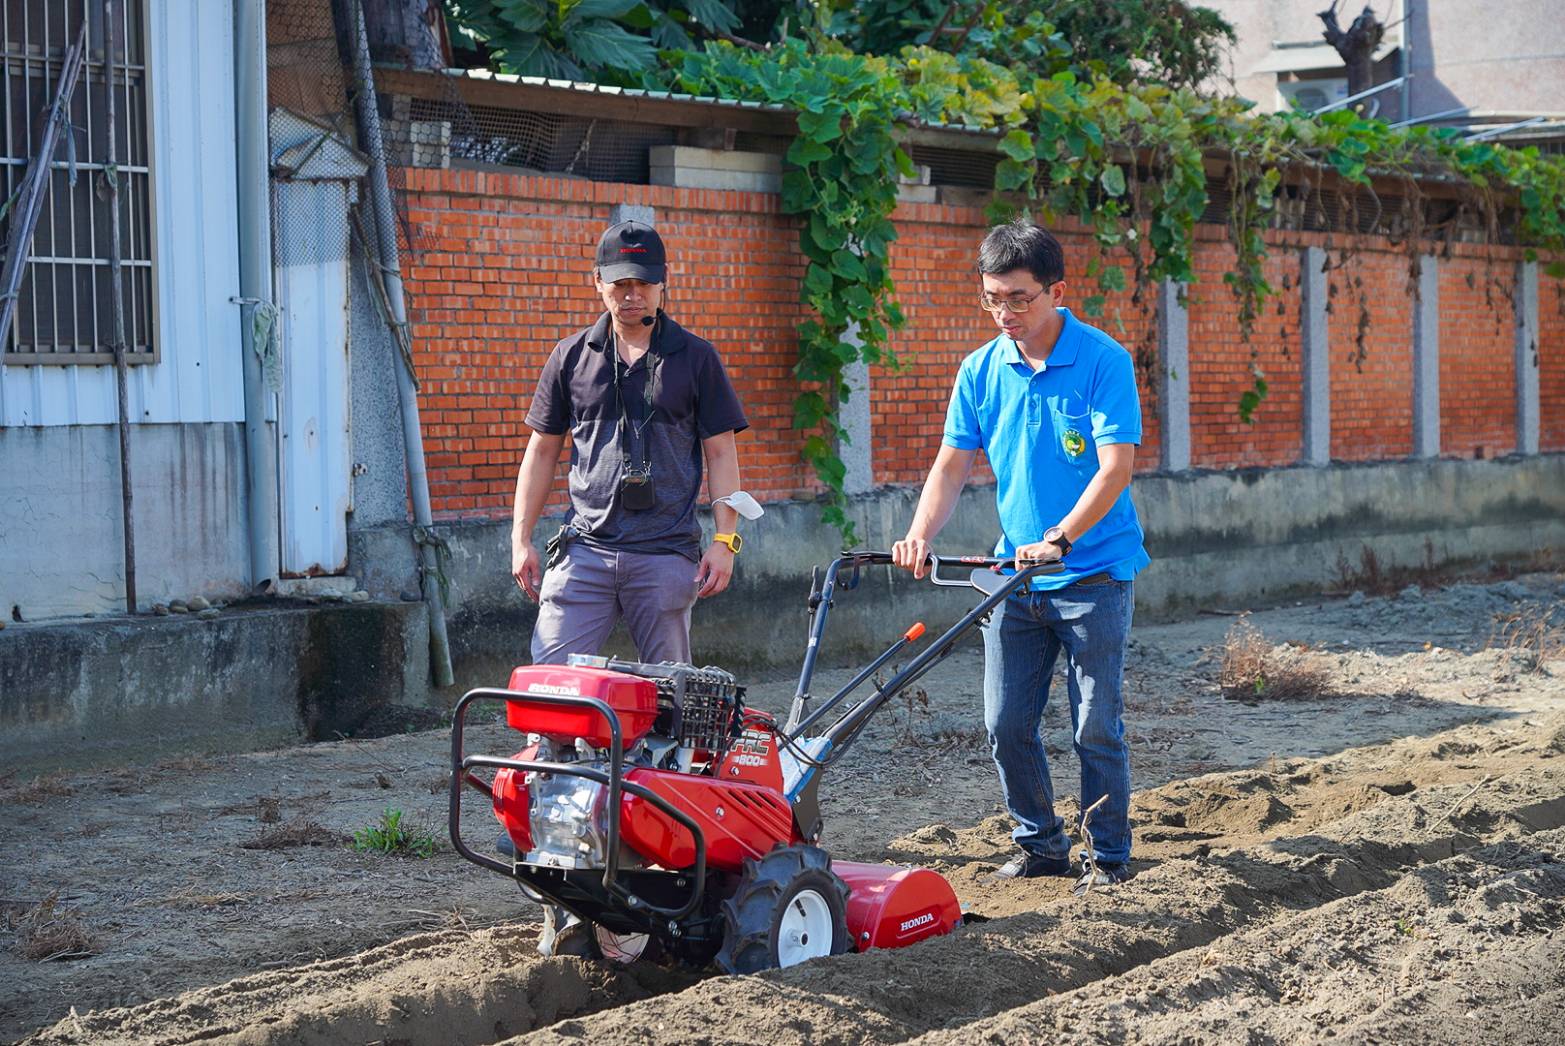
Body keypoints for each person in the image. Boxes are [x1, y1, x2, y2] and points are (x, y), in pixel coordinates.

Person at [892, 219, 1149, 890]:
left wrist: (1061, 538)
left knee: (1094, 726)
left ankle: (1109, 856)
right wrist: (920, 532)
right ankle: (1040, 845)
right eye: (992, 299)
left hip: (1093, 575)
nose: (1004, 312)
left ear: (1056, 292)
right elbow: (952, 466)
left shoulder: (1102, 361)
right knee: (1005, 724)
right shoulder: (981, 369)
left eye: (1018, 298)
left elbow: (1115, 468)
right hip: (1014, 577)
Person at [510, 219, 749, 667]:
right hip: (585, 550)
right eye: (620, 283)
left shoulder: (697, 358)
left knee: (669, 690)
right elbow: (541, 451)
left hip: (666, 553)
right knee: (550, 680)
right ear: (598, 282)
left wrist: (725, 540)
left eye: (643, 283)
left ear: (663, 282)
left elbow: (721, 453)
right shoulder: (570, 356)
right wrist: (520, 538)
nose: (632, 294)